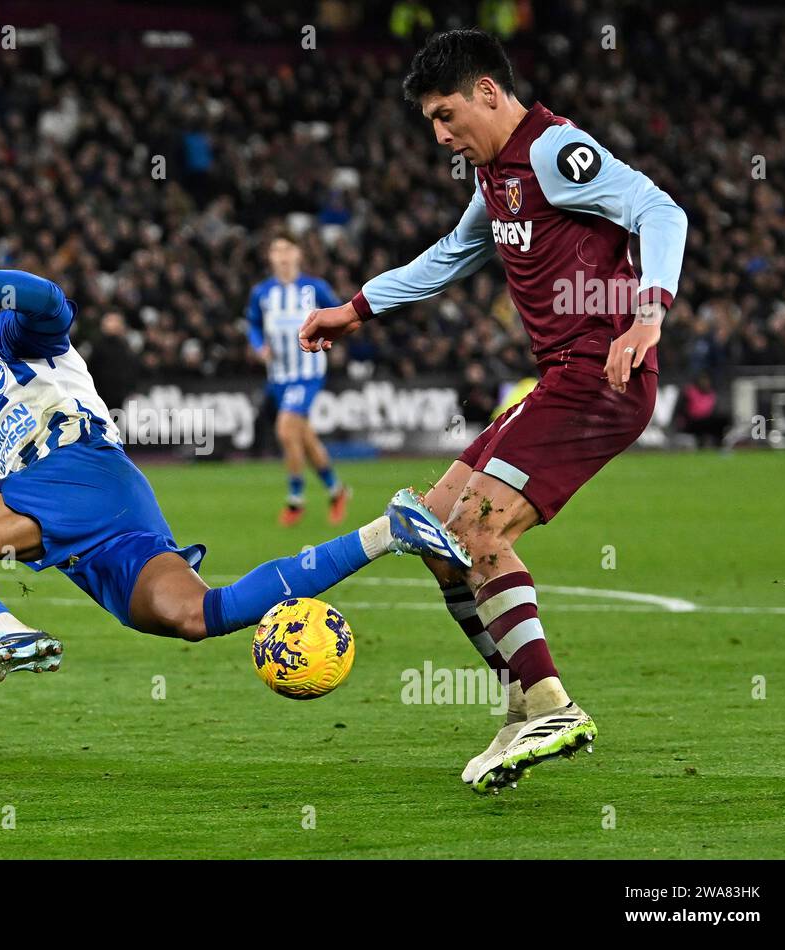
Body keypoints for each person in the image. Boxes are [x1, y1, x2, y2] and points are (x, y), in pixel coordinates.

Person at [0, 238, 471, 692]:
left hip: (78, 473)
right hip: (108, 510)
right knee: (198, 615)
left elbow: (49, 296)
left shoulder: (15, 334)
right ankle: (390, 531)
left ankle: (9, 635)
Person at [299, 29, 687, 792]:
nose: (442, 136)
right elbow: (452, 253)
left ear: (488, 91)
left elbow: (660, 211)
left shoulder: (554, 152)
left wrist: (649, 314)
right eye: (431, 124)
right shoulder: (496, 174)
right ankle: (521, 698)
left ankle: (551, 705)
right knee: (438, 533)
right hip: (559, 378)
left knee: (478, 527)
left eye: (447, 116)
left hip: (603, 373)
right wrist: (356, 309)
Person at [245, 232, 350, 525]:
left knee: (285, 429)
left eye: (287, 249)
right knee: (303, 437)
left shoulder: (315, 288)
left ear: (298, 254)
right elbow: (252, 324)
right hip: (278, 376)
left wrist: (329, 338)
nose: (282, 256)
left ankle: (295, 499)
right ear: (270, 257)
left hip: (308, 373)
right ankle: (336, 490)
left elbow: (342, 314)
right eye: (276, 250)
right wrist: (258, 346)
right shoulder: (262, 293)